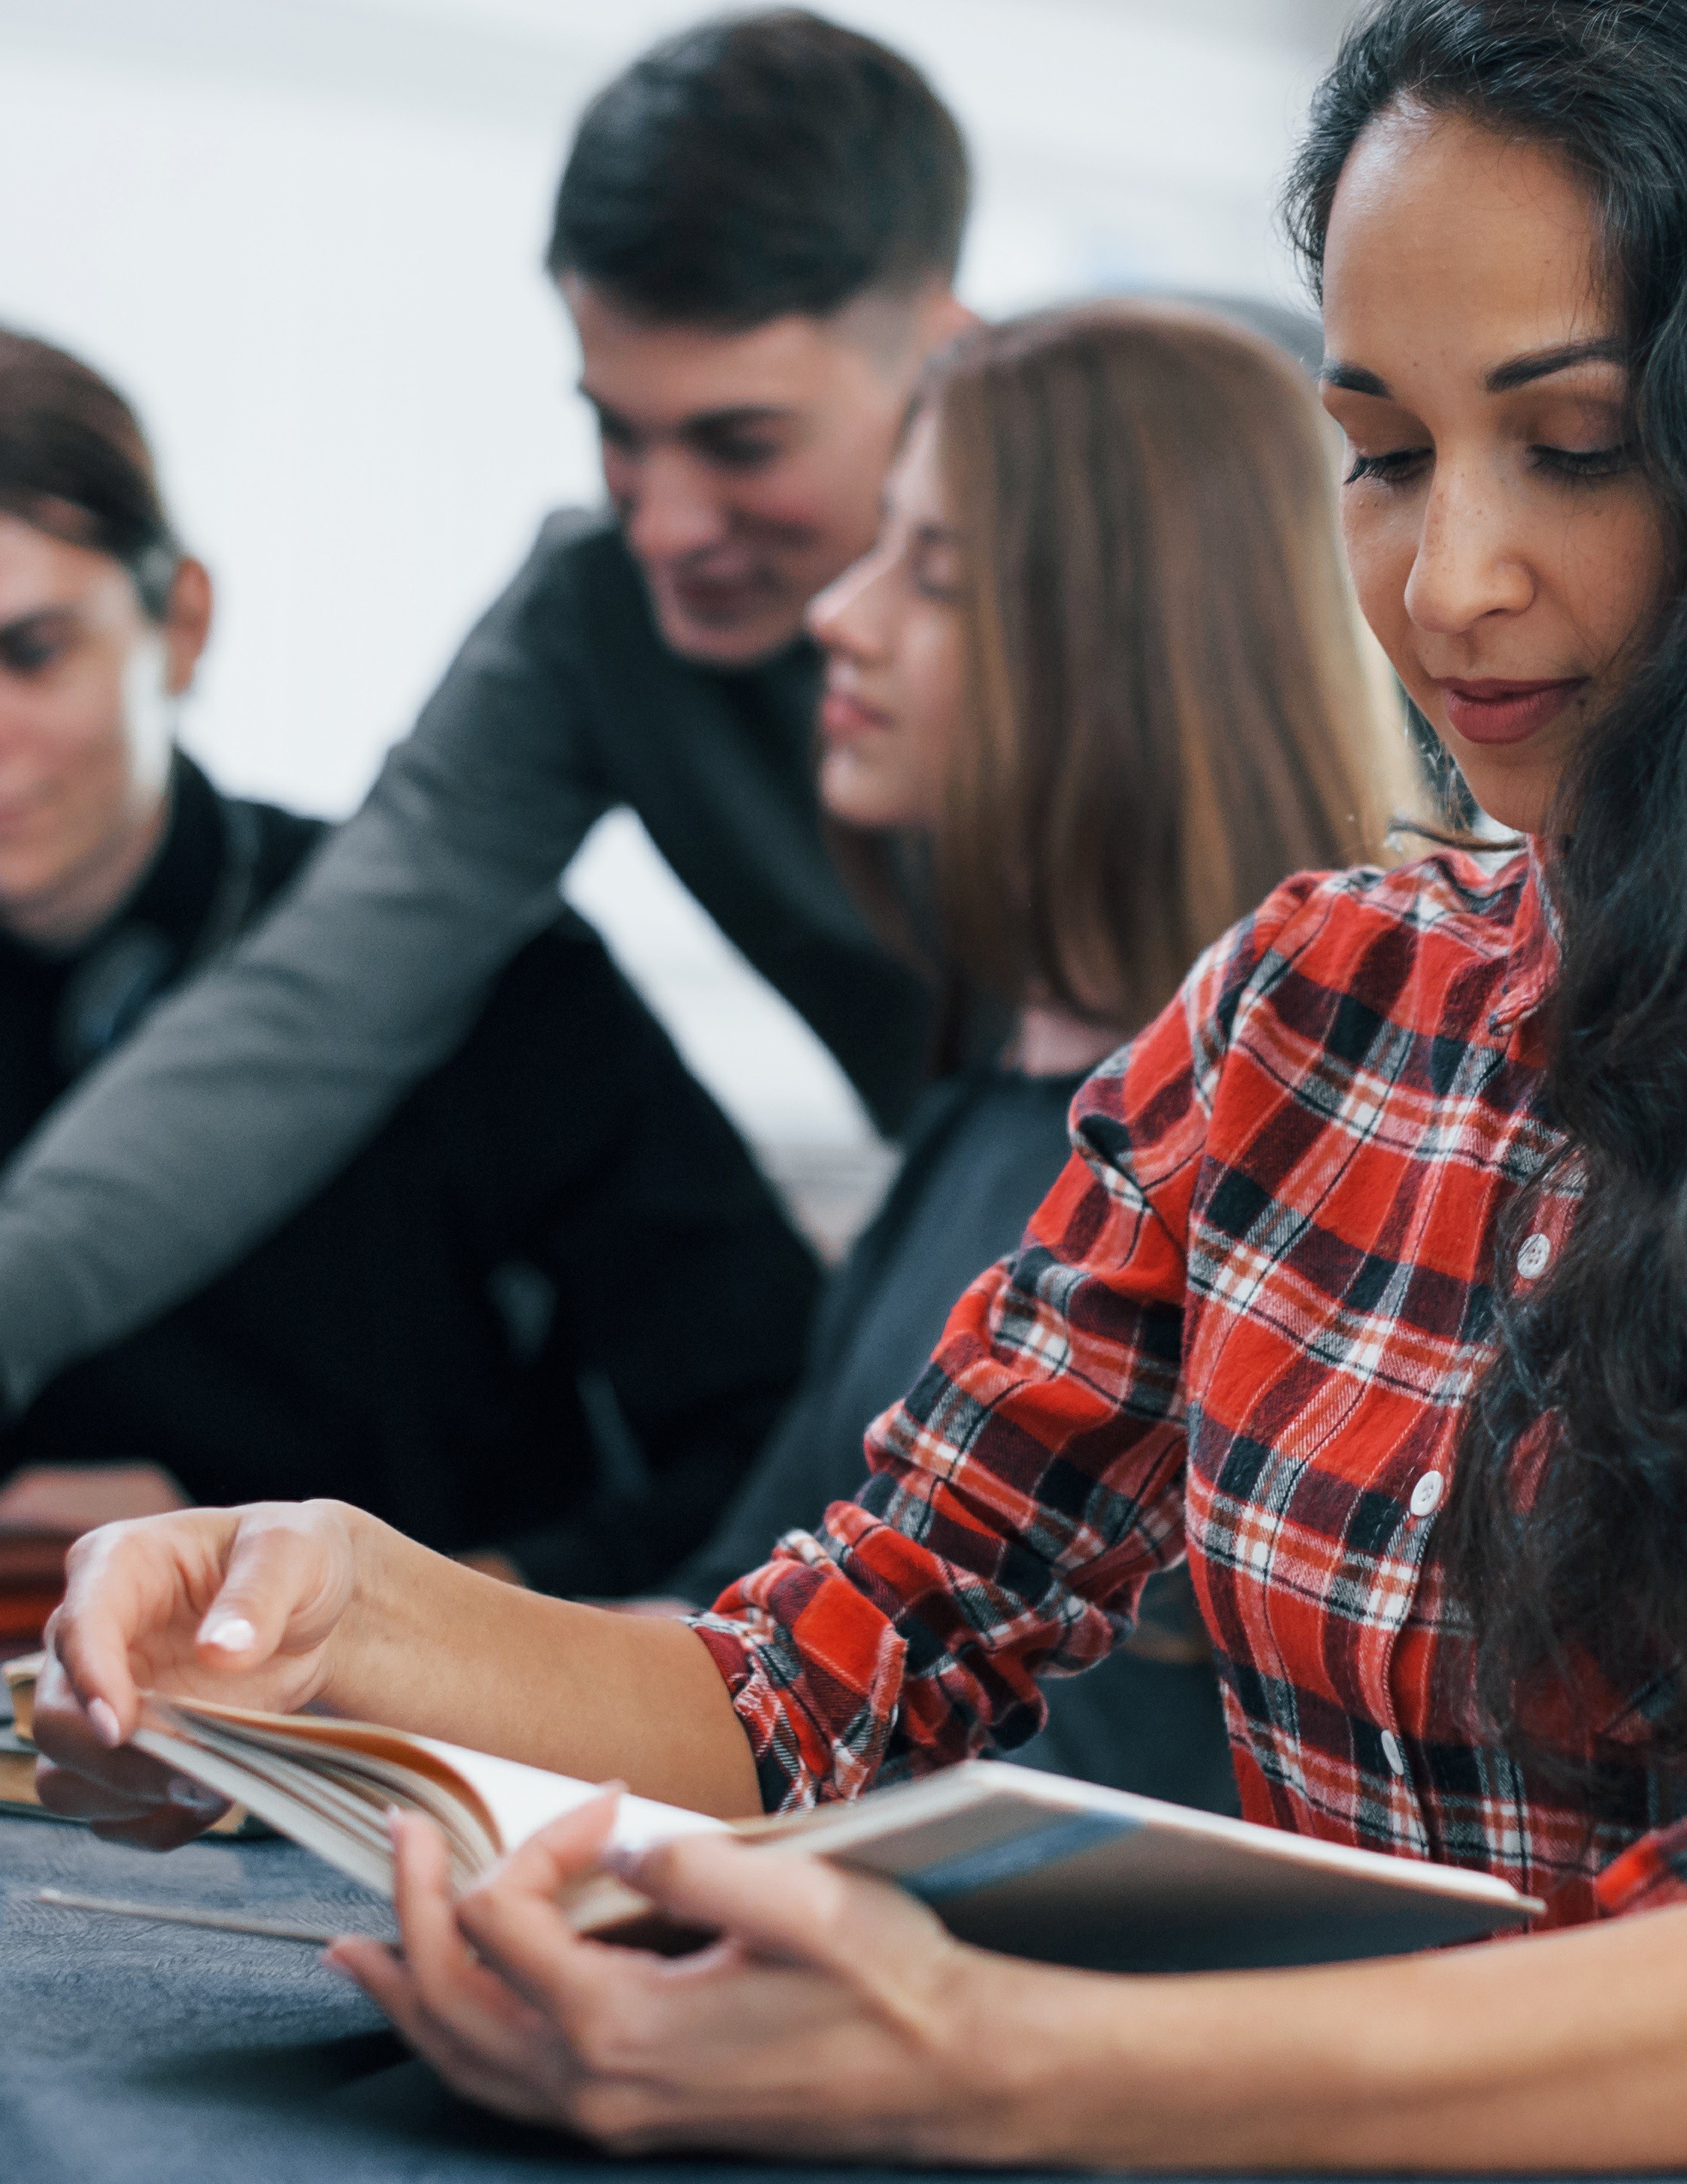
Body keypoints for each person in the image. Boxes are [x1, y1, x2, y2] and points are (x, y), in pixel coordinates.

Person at [32, 0, 1687, 2174]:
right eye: (1380, 453)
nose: (1449, 580)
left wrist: (1019, 2065)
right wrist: (322, 1626)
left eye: (1582, 447)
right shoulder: (1302, 1010)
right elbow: (832, 1665)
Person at [0, 12, 976, 1543]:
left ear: (947, 349)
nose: (662, 524)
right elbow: (317, 1003)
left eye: (739, 441)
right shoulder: (591, 620)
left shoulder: (1177, 552)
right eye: (614, 431)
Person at [0, 321, 821, 1595]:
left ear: (183, 625)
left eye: (28, 651)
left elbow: (786, 1446)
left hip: (421, 1760)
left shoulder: (462, 961)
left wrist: (365, 1622)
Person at [656, 300, 1414, 1814]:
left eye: (931, 574)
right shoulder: (990, 1104)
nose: (839, 618)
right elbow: (748, 1635)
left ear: (1119, 645)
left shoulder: (1286, 1165)